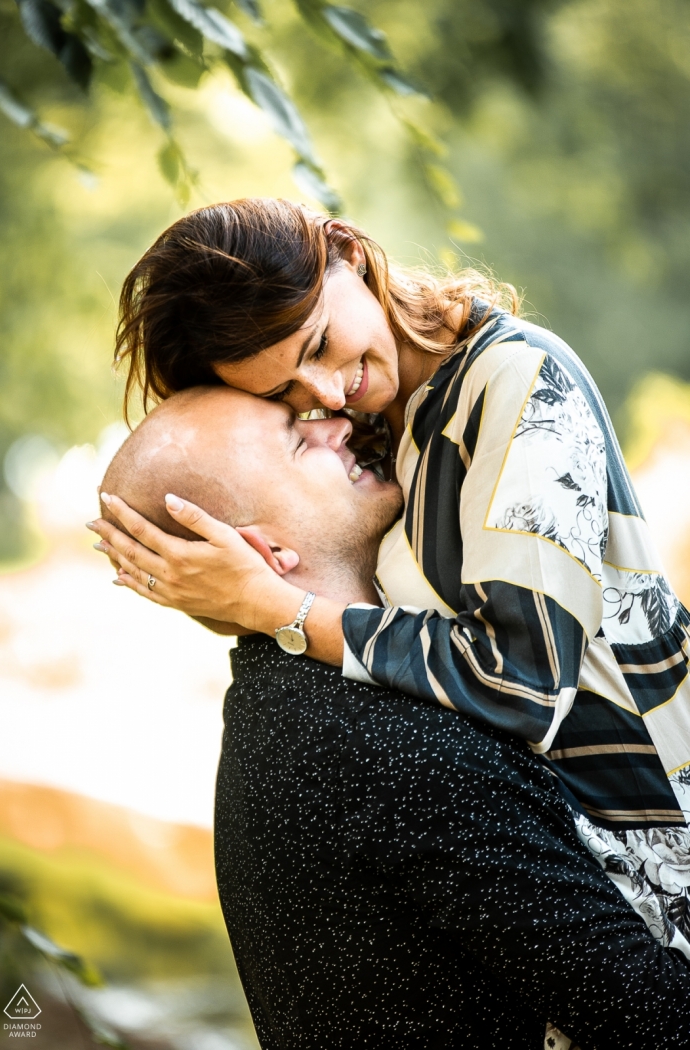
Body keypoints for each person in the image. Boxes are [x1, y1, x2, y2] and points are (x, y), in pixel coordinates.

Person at [92, 198, 690, 962]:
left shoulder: (515, 381)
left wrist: (278, 606)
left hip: (658, 865)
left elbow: (524, 682)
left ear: (347, 250)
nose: (328, 393)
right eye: (285, 394)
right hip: (557, 887)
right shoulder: (384, 429)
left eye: (319, 342)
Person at [94, 385, 690, 1048]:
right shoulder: (385, 751)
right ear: (267, 552)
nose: (340, 427)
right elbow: (657, 1022)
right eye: (301, 439)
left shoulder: (280, 706)